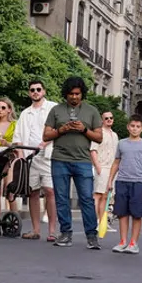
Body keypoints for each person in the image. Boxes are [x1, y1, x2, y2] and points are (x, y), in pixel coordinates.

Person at [43, 76, 103, 249]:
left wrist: (83, 129)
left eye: (77, 94)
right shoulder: (56, 110)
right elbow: (46, 136)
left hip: (83, 160)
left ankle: (92, 236)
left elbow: (99, 137)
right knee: (61, 198)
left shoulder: (91, 111)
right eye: (70, 94)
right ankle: (65, 233)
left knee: (86, 199)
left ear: (82, 94)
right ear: (66, 94)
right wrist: (61, 130)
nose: (74, 97)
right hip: (60, 159)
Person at [14, 80, 56, 242]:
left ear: (44, 91)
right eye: (32, 90)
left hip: (48, 154)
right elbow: (18, 137)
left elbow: (58, 129)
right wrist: (20, 155)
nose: (35, 92)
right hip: (29, 157)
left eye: (38, 89)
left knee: (50, 191)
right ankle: (36, 229)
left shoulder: (53, 107)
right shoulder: (25, 113)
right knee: (33, 192)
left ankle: (52, 231)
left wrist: (44, 143)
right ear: (29, 93)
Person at [108, 114, 142, 254]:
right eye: (132, 126)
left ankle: (133, 242)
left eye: (138, 127)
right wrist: (110, 180)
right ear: (128, 127)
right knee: (122, 213)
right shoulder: (121, 143)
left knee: (137, 214)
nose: (135, 129)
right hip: (122, 181)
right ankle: (123, 241)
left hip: (138, 182)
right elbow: (116, 162)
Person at [92, 109, 119, 229]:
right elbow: (93, 150)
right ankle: (96, 221)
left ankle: (104, 222)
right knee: (98, 194)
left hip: (112, 168)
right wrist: (97, 166)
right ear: (102, 120)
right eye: (106, 118)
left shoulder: (115, 135)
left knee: (107, 195)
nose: (109, 120)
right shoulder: (98, 133)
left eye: (111, 118)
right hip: (102, 166)